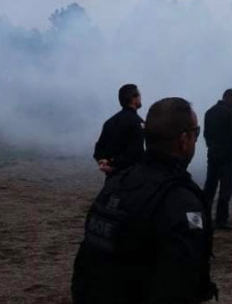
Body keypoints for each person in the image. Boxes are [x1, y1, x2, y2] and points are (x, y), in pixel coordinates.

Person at [71, 97, 218, 304]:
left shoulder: (115, 185)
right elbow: (180, 287)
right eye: (196, 133)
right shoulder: (180, 200)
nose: (196, 140)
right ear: (183, 140)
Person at [202, 89, 232, 229]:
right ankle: (221, 221)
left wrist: (211, 146)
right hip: (227, 156)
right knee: (225, 189)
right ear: (230, 98)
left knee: (209, 187)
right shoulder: (231, 114)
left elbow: (206, 134)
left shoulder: (209, 112)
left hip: (213, 154)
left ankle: (204, 219)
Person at [93, 84, 145, 176]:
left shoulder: (109, 122)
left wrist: (103, 161)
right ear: (133, 99)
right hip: (132, 178)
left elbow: (99, 149)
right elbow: (136, 153)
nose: (141, 98)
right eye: (139, 95)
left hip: (112, 180)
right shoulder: (138, 123)